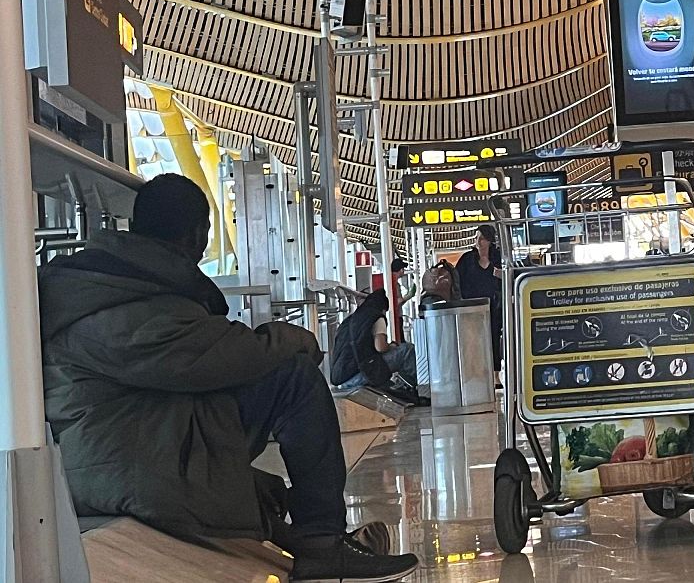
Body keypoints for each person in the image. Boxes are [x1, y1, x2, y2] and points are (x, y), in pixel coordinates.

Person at [36, 174, 418, 582]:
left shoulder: (110, 282)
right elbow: (211, 355)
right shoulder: (121, 298)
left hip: (119, 445)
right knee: (292, 378)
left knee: (251, 485)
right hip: (116, 465)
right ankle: (323, 543)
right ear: (198, 234)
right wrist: (297, 340)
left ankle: (307, 536)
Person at [330, 288, 420, 395]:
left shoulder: (349, 321)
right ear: (383, 309)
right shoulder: (376, 316)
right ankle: (412, 388)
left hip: (343, 380)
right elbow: (380, 347)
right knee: (407, 350)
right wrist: (392, 346)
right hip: (362, 376)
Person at [457, 224, 504, 364]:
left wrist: (502, 276)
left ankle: (495, 373)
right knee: (474, 341)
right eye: (477, 238)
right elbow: (457, 282)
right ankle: (476, 370)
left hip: (495, 309)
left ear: (490, 241)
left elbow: (511, 280)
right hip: (472, 310)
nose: (478, 242)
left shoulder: (500, 259)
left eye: (482, 239)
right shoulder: (467, 260)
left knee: (494, 338)